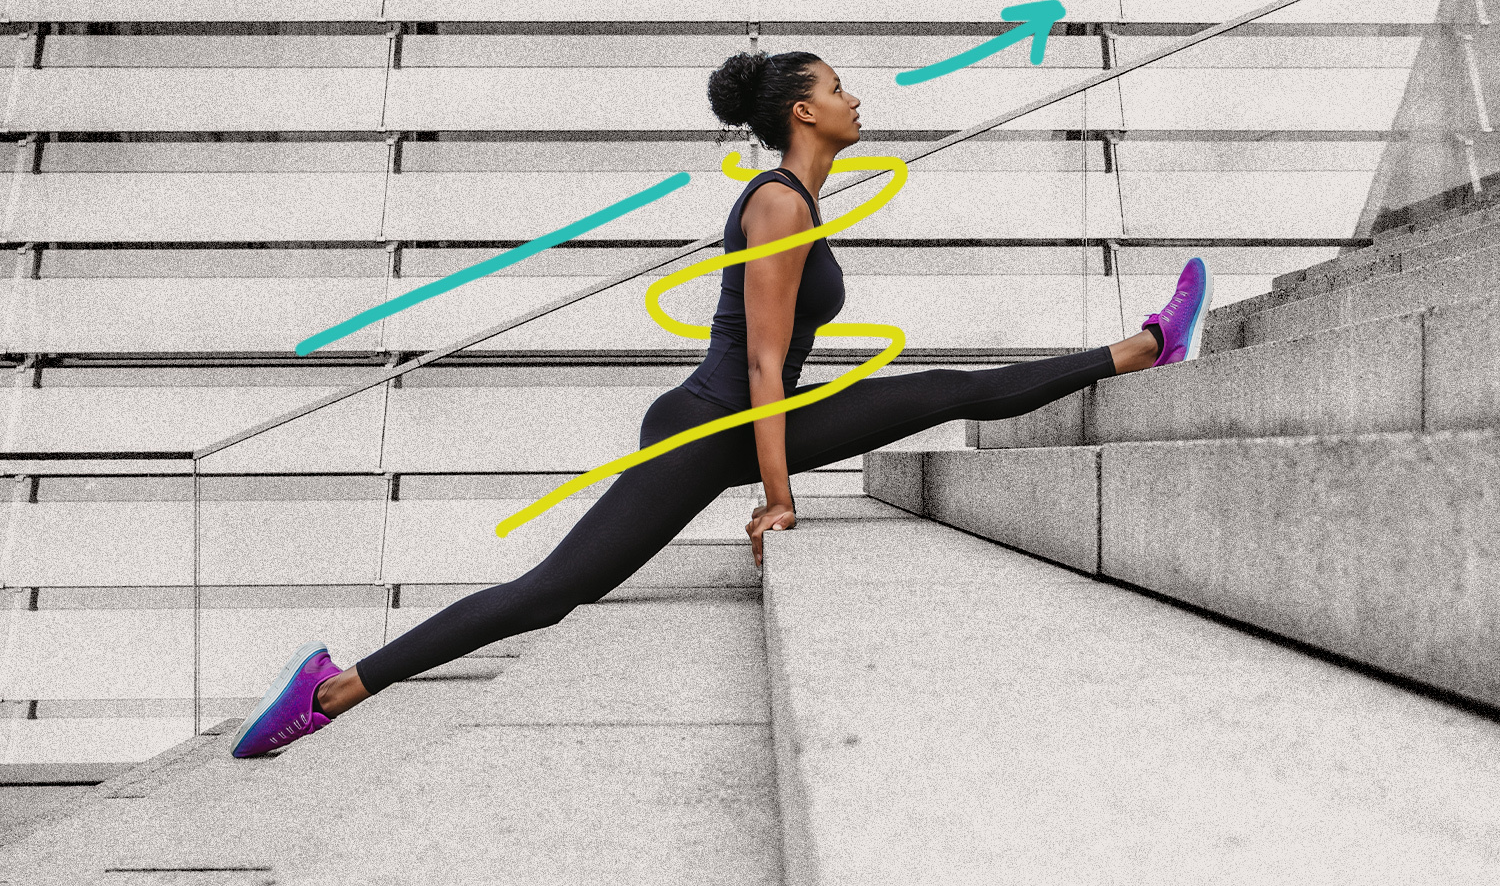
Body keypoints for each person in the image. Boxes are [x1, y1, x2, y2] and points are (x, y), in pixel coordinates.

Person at [228, 50, 1213, 759]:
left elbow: (773, 372)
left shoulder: (799, 196)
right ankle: (335, 686)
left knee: (938, 390)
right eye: (836, 88)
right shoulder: (779, 201)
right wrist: (779, 495)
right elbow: (765, 363)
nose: (855, 96)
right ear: (799, 113)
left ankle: (1146, 345)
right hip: (712, 429)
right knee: (551, 590)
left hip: (740, 417)